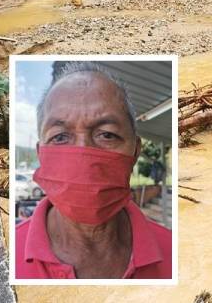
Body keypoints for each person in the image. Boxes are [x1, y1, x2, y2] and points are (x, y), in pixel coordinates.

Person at [16, 62, 172, 279]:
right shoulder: (3, 256)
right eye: (60, 136)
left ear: (135, 151)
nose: (83, 154)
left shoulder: (176, 253)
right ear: (40, 154)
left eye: (107, 134)